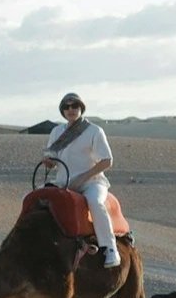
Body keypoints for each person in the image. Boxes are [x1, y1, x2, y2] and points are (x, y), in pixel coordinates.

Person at [41, 92, 119, 267]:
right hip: (63, 182)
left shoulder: (94, 131)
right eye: (67, 107)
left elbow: (107, 161)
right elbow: (52, 161)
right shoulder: (57, 132)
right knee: (33, 199)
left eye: (74, 106)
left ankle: (110, 248)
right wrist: (48, 162)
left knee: (95, 202)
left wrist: (84, 177)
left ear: (81, 108)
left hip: (92, 182)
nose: (71, 109)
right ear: (63, 110)